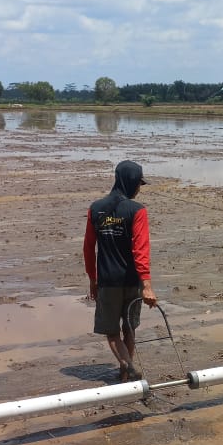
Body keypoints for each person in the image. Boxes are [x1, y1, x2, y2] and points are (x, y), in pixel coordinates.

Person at [83, 160, 158, 380]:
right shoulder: (137, 210)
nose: (139, 189)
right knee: (130, 328)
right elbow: (141, 250)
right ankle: (128, 369)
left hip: (108, 281)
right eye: (139, 184)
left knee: (112, 332)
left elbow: (88, 248)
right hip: (132, 281)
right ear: (131, 182)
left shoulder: (96, 208)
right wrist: (147, 285)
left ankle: (126, 369)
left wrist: (93, 279)